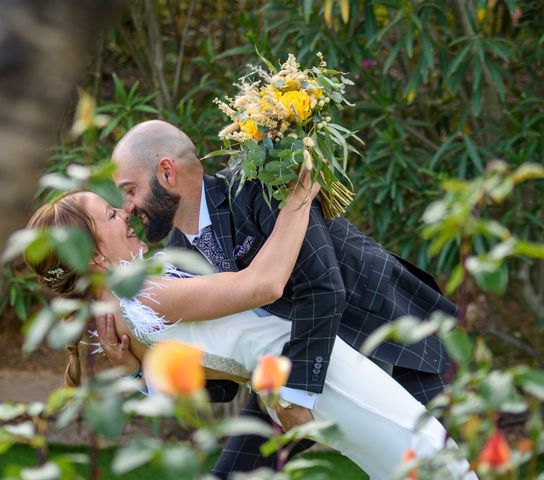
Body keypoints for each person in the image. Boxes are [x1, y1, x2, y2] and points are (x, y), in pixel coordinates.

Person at [25, 178, 475, 480]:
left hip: (292, 382)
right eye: (109, 216)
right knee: (432, 458)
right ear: (93, 256)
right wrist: (299, 193)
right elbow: (262, 283)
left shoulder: (121, 311)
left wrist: (136, 374)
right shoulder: (142, 297)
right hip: (324, 376)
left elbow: (216, 366)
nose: (125, 214)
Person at [110, 120, 457, 476]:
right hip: (297, 361)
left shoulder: (259, 185)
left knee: (441, 466)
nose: (128, 207)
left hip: (397, 340)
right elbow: (226, 372)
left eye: (130, 189)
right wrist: (142, 374)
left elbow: (322, 287)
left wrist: (296, 394)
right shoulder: (180, 258)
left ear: (167, 172)